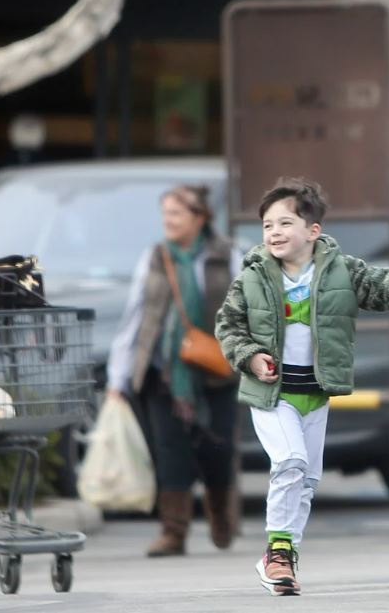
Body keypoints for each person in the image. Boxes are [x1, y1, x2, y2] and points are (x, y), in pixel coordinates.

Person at [215, 177, 389, 596]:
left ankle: (285, 559)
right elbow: (228, 326)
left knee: (307, 480)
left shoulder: (341, 270)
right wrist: (249, 356)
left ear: (312, 231)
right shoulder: (253, 277)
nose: (275, 233)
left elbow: (379, 287)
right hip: (271, 395)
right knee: (290, 462)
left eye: (284, 223)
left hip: (315, 395)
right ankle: (276, 551)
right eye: (267, 226)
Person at [107, 184, 241, 557]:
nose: (168, 221)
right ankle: (173, 532)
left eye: (176, 213)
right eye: (165, 213)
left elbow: (249, 307)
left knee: (218, 449)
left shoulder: (226, 255)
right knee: (170, 451)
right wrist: (119, 376)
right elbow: (135, 314)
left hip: (215, 368)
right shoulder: (154, 257)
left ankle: (220, 514)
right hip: (163, 370)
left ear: (200, 218)